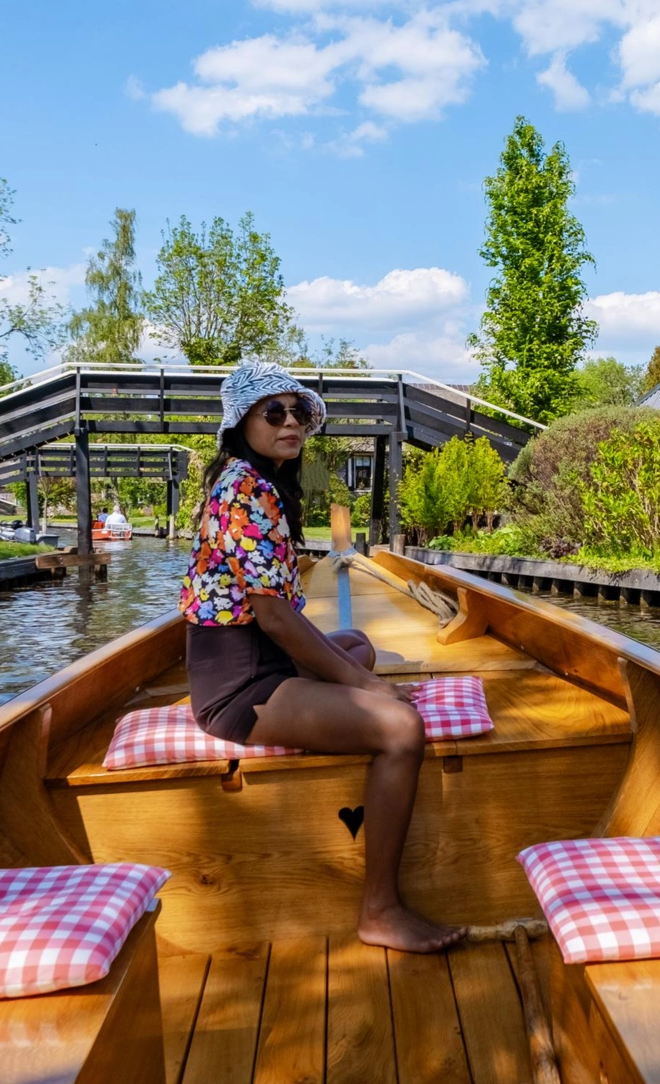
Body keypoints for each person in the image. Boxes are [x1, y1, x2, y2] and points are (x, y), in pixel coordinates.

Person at [181, 362, 464, 954]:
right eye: (274, 412)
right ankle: (380, 911)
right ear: (241, 424)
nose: (292, 423)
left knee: (356, 643)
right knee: (399, 728)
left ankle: (354, 689)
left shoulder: (259, 482)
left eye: (299, 413)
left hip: (259, 662)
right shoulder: (243, 489)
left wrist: (357, 672)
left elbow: (279, 616)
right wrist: (373, 690)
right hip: (239, 687)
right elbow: (275, 618)